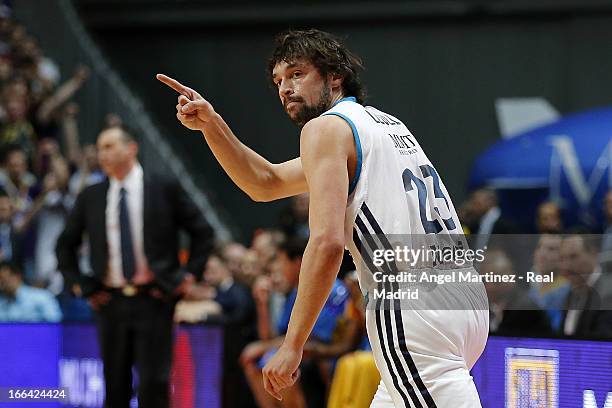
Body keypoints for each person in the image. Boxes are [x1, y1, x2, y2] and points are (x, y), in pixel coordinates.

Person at [158, 29, 488, 407]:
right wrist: (212, 126)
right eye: (278, 80)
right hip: (462, 297)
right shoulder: (384, 125)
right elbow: (265, 182)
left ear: (335, 76)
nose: (284, 88)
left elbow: (327, 242)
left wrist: (292, 344)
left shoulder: (324, 128)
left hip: (412, 306)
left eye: (297, 74)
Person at [56, 125, 215, 408]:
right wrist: (81, 284)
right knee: (115, 385)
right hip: (110, 300)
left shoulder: (162, 187)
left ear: (131, 148)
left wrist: (189, 276)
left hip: (155, 298)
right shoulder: (92, 195)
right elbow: (64, 245)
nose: (101, 153)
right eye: (99, 147)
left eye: (108, 146)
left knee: (155, 384)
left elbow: (203, 231)